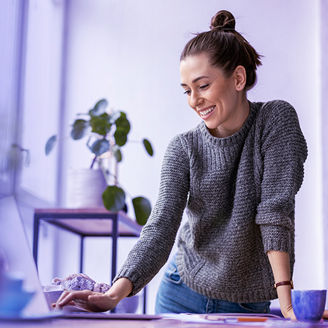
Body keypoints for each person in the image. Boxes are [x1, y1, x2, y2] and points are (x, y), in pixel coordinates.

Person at [55, 10, 307, 318]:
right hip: (181, 292)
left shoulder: (275, 121)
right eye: (187, 90)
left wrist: (287, 302)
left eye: (203, 86)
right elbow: (160, 228)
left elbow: (275, 209)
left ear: (238, 78)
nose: (194, 100)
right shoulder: (183, 148)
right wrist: (112, 296)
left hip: (248, 301)